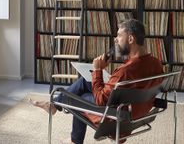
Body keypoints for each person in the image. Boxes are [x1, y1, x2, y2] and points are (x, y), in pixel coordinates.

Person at [30, 19, 164, 144]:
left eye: (119, 36)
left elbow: (101, 100)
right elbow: (133, 83)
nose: (116, 40)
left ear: (130, 39)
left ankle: (71, 135)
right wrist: (104, 77)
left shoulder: (125, 71)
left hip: (115, 118)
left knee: (78, 97)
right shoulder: (156, 63)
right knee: (86, 82)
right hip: (136, 112)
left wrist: (97, 70)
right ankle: (54, 106)